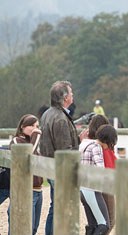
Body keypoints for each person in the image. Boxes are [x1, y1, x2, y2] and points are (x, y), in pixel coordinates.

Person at [40, 80, 79, 235]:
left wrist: (79, 138)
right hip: (60, 170)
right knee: (61, 207)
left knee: (54, 206)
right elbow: (65, 150)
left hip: (50, 167)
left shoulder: (47, 114)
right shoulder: (61, 118)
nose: (73, 95)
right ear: (65, 98)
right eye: (71, 93)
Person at [79, 115, 116, 235]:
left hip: (83, 188)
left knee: (93, 224)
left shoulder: (84, 144)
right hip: (93, 189)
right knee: (104, 224)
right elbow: (101, 169)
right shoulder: (96, 147)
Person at [9, 114, 43, 235]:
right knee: (24, 229)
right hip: (26, 190)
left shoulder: (33, 141)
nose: (35, 129)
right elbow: (28, 157)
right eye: (32, 126)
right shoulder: (16, 141)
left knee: (33, 228)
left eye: (37, 126)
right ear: (23, 127)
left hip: (38, 191)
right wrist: (37, 135)